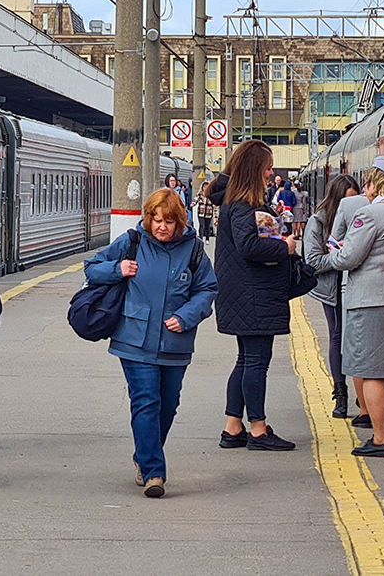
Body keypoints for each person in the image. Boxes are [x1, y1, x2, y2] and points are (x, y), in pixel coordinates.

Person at [84, 189, 218, 498]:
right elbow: (92, 267)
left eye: (169, 221)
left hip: (175, 340)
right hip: (134, 336)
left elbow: (207, 288)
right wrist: (117, 269)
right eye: (156, 220)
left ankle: (144, 454)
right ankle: (154, 472)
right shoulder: (132, 242)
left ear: (179, 221)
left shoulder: (194, 249)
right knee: (145, 400)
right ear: (148, 218)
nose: (161, 227)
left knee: (168, 404)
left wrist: (186, 316)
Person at [328, 156, 384, 457]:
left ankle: (380, 438)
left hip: (371, 303)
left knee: (371, 373)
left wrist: (332, 252)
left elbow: (348, 259)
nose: (366, 190)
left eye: (368, 183)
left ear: (377, 183)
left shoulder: (369, 215)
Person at [210, 140, 298, 452]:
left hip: (243, 292)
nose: (271, 173)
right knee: (257, 362)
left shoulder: (233, 202)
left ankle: (233, 427)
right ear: (255, 170)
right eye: (268, 167)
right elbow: (249, 246)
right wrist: (284, 247)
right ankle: (258, 430)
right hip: (252, 294)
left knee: (246, 359)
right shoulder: (243, 207)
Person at [303, 174, 361, 418]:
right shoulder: (318, 221)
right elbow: (313, 261)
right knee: (337, 335)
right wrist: (342, 258)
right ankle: (341, 393)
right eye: (347, 201)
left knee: (358, 339)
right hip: (332, 287)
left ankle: (364, 396)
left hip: (358, 285)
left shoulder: (362, 219)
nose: (352, 206)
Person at [329, 186, 370, 426]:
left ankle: (365, 410)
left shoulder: (349, 206)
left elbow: (337, 249)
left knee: (353, 349)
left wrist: (338, 253)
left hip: (354, 288)